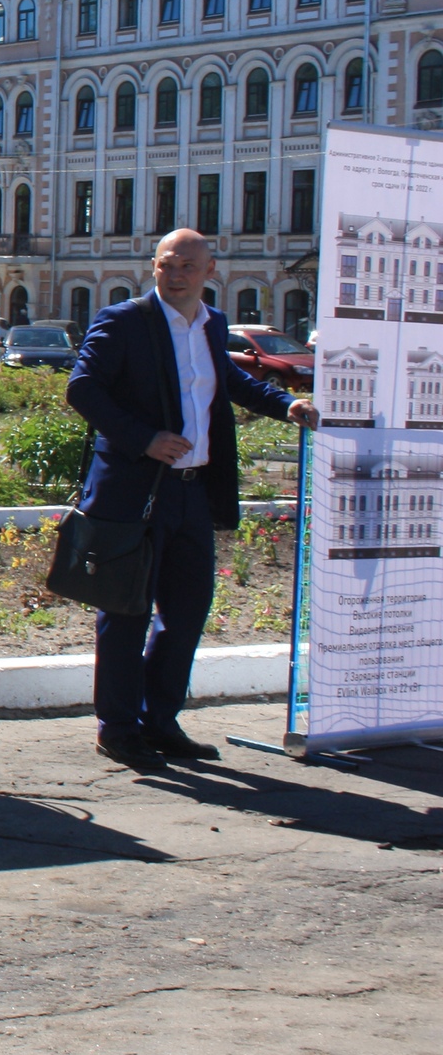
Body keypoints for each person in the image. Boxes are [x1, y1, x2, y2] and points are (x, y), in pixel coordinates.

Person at [66, 229, 316, 771]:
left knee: (184, 615)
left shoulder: (211, 324)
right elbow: (82, 389)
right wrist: (144, 438)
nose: (175, 274)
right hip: (133, 493)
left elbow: (225, 378)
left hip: (190, 493)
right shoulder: (122, 321)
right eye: (166, 265)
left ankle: (161, 722)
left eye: (186, 266)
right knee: (126, 610)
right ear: (153, 267)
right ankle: (119, 727)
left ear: (209, 271)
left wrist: (285, 405)